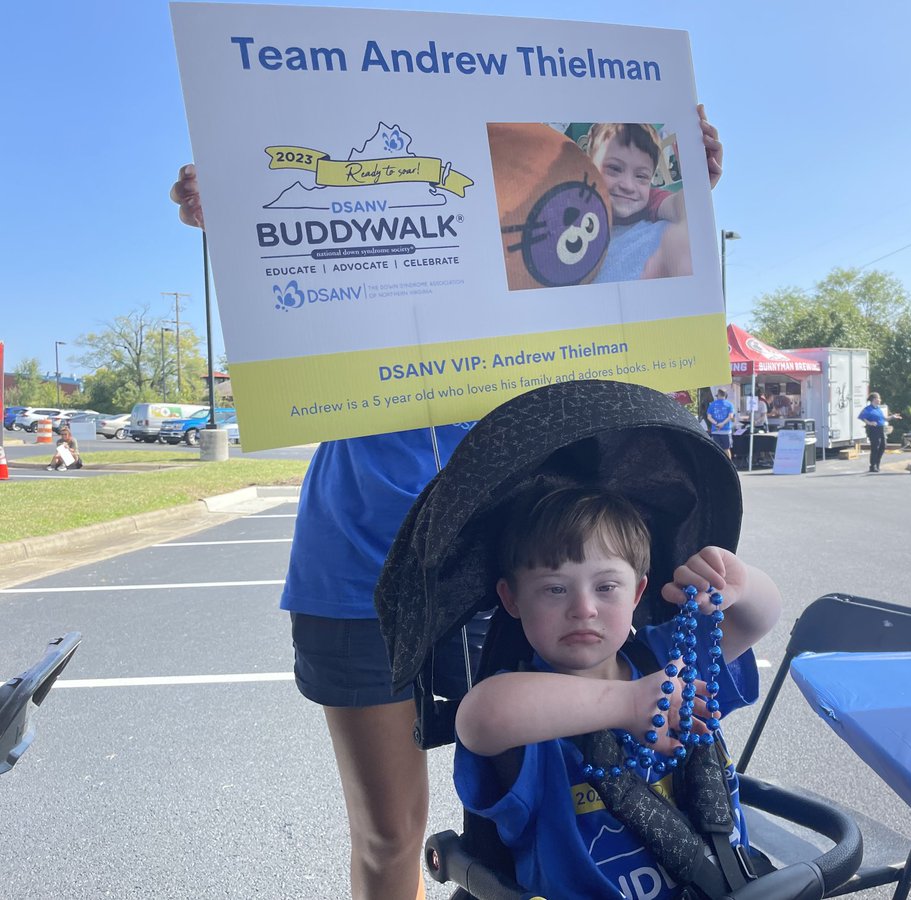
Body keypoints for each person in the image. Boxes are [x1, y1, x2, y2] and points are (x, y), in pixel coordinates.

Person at [171, 167, 482, 900]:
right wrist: (237, 213)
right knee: (390, 835)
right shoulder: (361, 185)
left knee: (545, 810)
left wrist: (676, 189)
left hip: (512, 554)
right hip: (356, 566)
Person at [455, 488, 782, 899]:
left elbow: (758, 619)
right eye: (555, 589)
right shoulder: (525, 710)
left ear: (638, 592)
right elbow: (478, 719)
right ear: (512, 598)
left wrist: (741, 583)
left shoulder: (665, 657)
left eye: (607, 587)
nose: (584, 608)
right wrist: (625, 704)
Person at [587, 106, 722, 283]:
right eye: (614, 169)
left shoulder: (650, 199)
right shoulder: (573, 199)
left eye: (641, 176)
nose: (628, 186)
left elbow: (677, 204)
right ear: (588, 166)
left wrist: (698, 189)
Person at [857, 392, 903, 473]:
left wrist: (892, 417)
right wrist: (869, 423)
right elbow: (861, 417)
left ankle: (877, 463)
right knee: (875, 447)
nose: (880, 400)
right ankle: (873, 465)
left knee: (883, 446)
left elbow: (884, 419)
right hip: (873, 429)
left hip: (881, 428)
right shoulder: (868, 409)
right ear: (874, 399)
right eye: (879, 398)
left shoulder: (878, 409)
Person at [705, 388, 735, 459]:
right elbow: (730, 416)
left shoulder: (712, 404)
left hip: (715, 430)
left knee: (717, 449)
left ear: (718, 395)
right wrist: (722, 423)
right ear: (725, 395)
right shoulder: (729, 404)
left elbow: (709, 417)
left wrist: (716, 423)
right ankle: (729, 466)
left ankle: (718, 465)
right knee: (727, 449)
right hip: (726, 430)